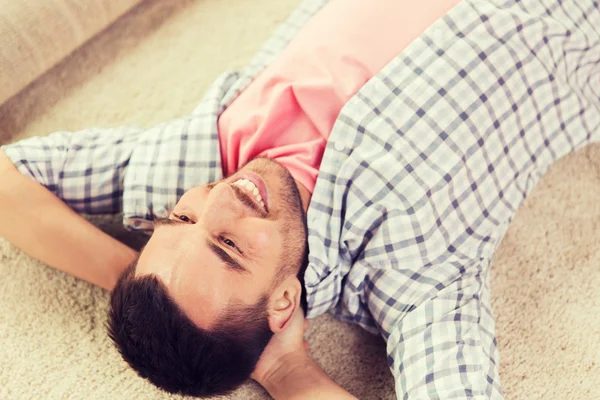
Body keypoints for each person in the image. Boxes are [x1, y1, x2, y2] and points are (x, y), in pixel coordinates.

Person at [1, 0, 599, 398]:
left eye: (179, 218)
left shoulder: (197, 155)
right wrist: (288, 370)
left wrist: (129, 274)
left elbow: (8, 177)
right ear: (284, 303)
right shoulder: (413, 275)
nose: (223, 199)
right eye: (229, 246)